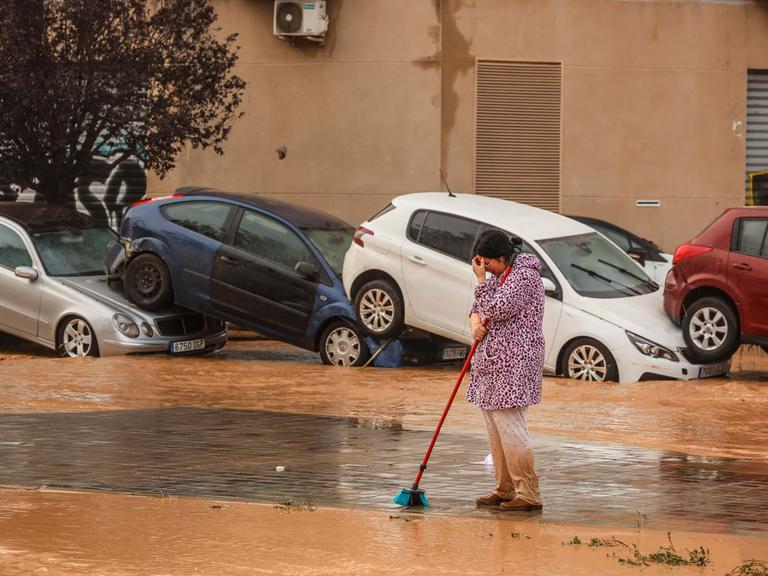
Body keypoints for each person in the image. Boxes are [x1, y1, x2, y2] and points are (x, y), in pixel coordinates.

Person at [467, 229, 545, 512]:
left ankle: (528, 492)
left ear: (503, 257)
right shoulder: (502, 277)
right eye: (480, 265)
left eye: (488, 263)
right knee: (494, 427)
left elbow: (497, 308)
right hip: (491, 364)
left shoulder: (525, 277)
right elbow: (478, 307)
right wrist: (474, 322)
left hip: (515, 363)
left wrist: (480, 281)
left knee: (511, 426)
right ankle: (505, 488)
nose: (485, 269)